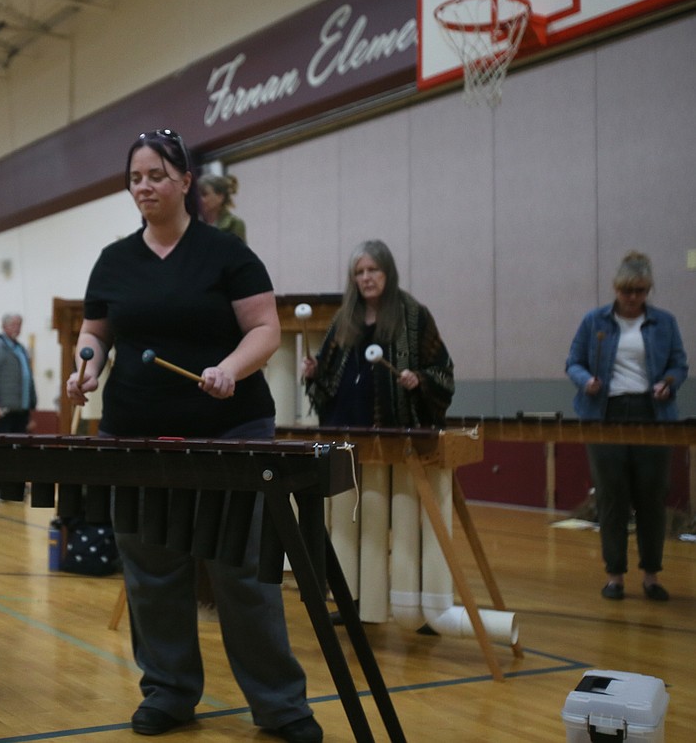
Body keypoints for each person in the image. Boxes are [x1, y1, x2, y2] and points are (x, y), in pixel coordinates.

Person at [66, 130, 322, 743]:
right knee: (151, 571)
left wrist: (230, 369)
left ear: (185, 181)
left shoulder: (225, 253)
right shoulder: (113, 260)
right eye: (135, 177)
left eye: (156, 174)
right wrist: (88, 367)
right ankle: (170, 692)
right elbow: (95, 330)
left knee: (241, 572)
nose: (144, 186)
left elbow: (265, 328)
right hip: (135, 432)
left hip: (229, 430)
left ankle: (281, 706)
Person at [566, 251, 687, 602]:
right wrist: (585, 379)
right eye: (625, 291)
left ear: (648, 290)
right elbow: (573, 362)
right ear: (615, 289)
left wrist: (669, 382)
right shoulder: (595, 322)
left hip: (653, 414)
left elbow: (679, 365)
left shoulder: (664, 322)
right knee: (611, 496)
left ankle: (651, 576)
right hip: (605, 414)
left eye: (639, 291)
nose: (632, 298)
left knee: (652, 494)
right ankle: (615, 576)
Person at [303, 240, 455, 428]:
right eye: (359, 272)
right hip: (340, 428)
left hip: (392, 435)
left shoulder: (414, 316)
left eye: (373, 269)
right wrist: (314, 370)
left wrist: (419, 379)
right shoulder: (344, 318)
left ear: (388, 273)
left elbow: (443, 373)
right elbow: (326, 377)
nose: (366, 277)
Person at [0, 313, 37, 433]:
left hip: (21, 410)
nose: (17, 328)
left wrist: (32, 403)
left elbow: (28, 377)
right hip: (2, 411)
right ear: (4, 326)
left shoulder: (21, 349)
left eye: (19, 325)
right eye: (13, 325)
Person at [198, 172, 246, 242]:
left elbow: (239, 252)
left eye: (204, 195)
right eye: (198, 196)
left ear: (220, 197)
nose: (200, 200)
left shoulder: (234, 224)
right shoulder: (194, 226)